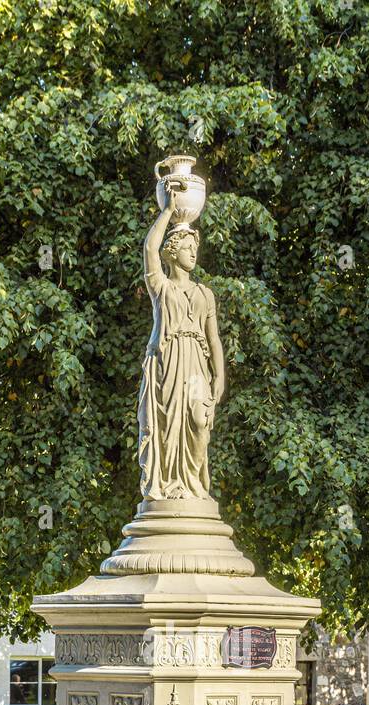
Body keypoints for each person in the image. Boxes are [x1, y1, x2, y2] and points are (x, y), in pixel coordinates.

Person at [137, 179, 225, 500]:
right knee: (166, 430)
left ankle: (194, 485)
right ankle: (172, 485)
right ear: (172, 253)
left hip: (196, 366)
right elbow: (149, 249)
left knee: (200, 423)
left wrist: (220, 377)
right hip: (168, 363)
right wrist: (169, 211)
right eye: (187, 248)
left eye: (195, 248)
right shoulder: (161, 286)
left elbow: (213, 340)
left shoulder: (205, 293)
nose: (193, 253)